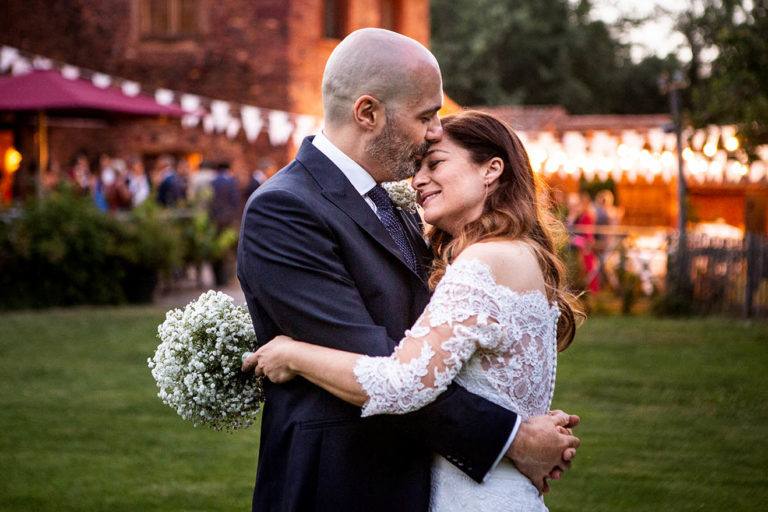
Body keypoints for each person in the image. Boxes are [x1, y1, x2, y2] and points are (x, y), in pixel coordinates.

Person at [237, 28, 579, 512]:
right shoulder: (286, 209)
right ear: (368, 113)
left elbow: (423, 360)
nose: (436, 130)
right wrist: (511, 438)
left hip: (423, 477)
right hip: (343, 483)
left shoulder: (395, 206)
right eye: (426, 115)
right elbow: (377, 361)